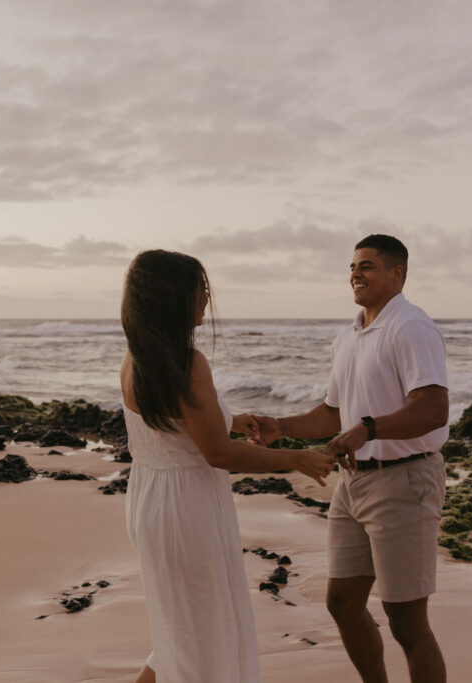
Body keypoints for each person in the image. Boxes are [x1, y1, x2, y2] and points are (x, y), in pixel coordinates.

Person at [120, 249, 336, 683]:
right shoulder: (186, 363)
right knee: (202, 635)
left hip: (154, 500)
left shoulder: (138, 358)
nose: (207, 297)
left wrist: (231, 419)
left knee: (181, 635)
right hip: (187, 509)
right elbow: (219, 454)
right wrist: (295, 457)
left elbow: (172, 425)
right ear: (174, 296)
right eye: (200, 288)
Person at [254, 234, 450, 683]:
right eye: (352, 267)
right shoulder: (349, 335)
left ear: (397, 274)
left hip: (404, 480)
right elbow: (332, 413)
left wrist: (368, 429)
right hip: (352, 484)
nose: (355, 274)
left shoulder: (410, 327)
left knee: (406, 622)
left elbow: (432, 407)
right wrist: (281, 426)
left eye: (367, 266)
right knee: (342, 602)